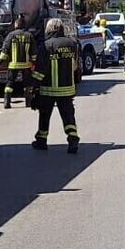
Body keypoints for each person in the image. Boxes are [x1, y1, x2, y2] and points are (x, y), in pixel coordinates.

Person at [31, 17, 80, 154]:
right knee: (68, 116)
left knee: (44, 115)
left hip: (48, 89)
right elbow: (75, 66)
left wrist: (34, 86)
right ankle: (73, 138)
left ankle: (41, 140)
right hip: (67, 89)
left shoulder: (46, 45)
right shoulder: (72, 43)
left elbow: (40, 70)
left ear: (49, 29)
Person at [0, 13, 35, 108]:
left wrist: (1, 60)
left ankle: (7, 102)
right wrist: (34, 62)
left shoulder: (11, 35)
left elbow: (5, 49)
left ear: (16, 25)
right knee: (27, 84)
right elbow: (33, 51)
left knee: (9, 83)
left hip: (13, 65)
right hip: (26, 65)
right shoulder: (29, 35)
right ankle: (28, 102)